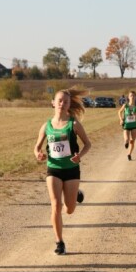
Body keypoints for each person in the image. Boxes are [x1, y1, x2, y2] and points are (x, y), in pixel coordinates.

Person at [33, 88, 91, 256]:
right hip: (53, 169)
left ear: (68, 105)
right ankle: (59, 242)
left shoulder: (74, 124)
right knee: (56, 205)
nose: (61, 104)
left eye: (65, 102)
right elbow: (36, 147)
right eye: (59, 100)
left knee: (70, 209)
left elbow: (88, 144)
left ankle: (75, 193)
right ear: (53, 103)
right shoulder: (46, 126)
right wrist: (38, 154)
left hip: (72, 170)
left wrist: (79, 156)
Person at [118, 91, 136, 161]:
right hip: (126, 125)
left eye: (134, 96)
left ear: (135, 97)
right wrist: (120, 119)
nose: (132, 97)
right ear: (128, 97)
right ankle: (126, 143)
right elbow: (119, 112)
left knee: (132, 141)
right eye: (131, 95)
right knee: (126, 140)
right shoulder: (125, 105)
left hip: (134, 126)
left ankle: (129, 154)